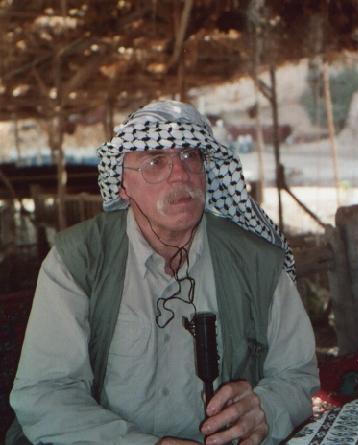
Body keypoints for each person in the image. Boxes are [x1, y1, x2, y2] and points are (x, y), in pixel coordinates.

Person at [8, 100, 319, 445]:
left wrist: (266, 408)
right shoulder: (77, 260)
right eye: (156, 161)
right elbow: (46, 392)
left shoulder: (258, 261)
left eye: (190, 156)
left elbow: (297, 375)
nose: (180, 174)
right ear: (122, 185)